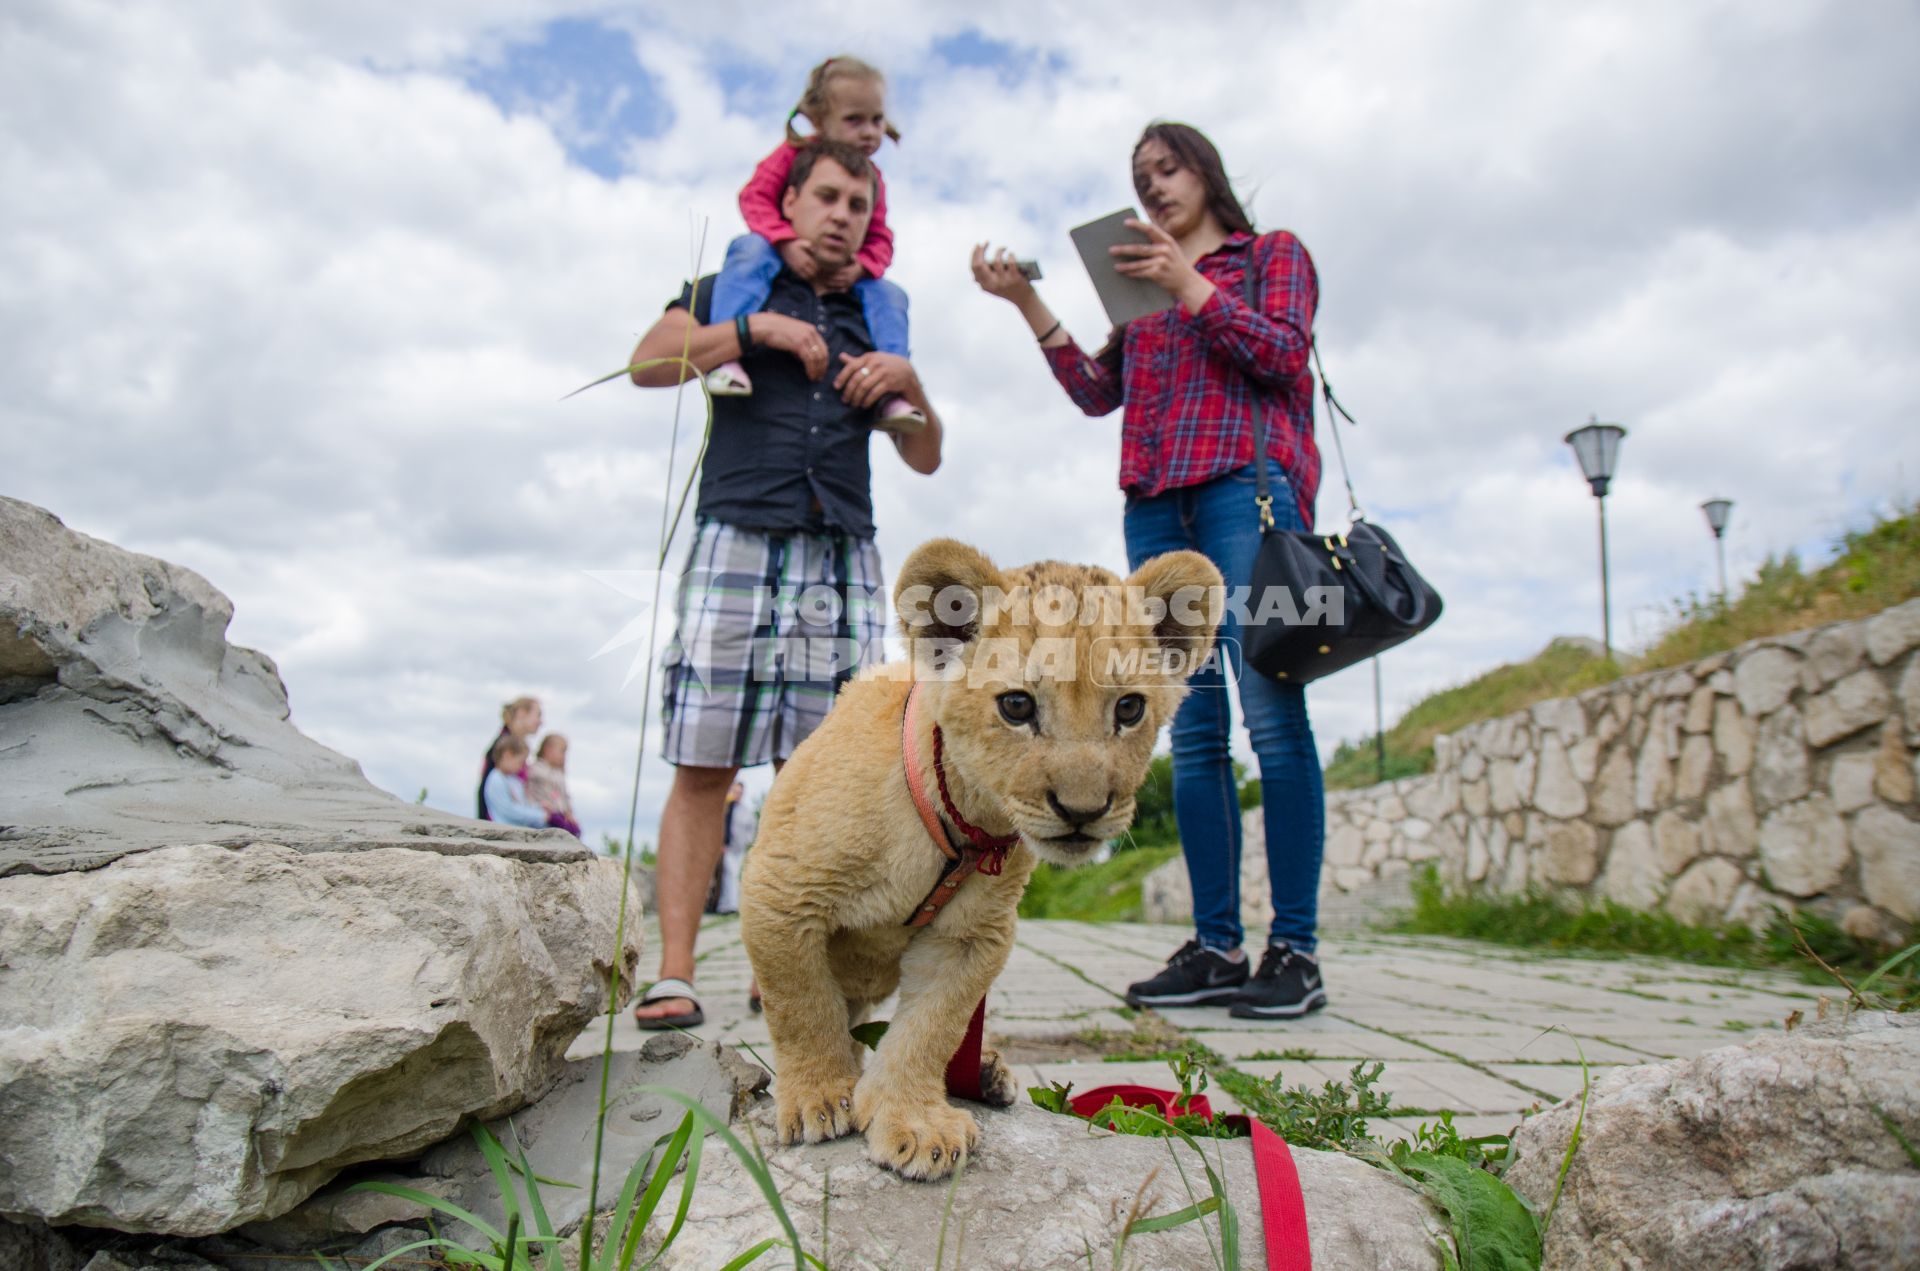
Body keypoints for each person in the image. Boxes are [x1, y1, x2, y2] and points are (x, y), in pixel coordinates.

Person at [970, 121, 1328, 1019]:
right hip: (1156, 506)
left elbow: (1284, 354)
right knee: (1191, 726)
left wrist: (1190, 284)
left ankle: (1296, 950)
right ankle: (1215, 945)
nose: (1154, 185)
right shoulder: (1140, 286)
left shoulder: (1268, 254)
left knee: (1272, 713)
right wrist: (1025, 304)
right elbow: (1099, 391)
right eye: (1140, 176)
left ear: (1205, 170)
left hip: (1248, 496)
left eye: (1168, 167)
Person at [624, 138, 944, 1030]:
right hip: (735, 533)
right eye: (830, 197)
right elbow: (650, 362)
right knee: (702, 757)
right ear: (791, 200)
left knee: (814, 772)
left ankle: (786, 970)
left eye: (860, 206)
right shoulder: (738, 283)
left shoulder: (879, 317)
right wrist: (754, 331)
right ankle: (676, 971)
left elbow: (924, 453)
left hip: (840, 548)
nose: (845, 215)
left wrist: (912, 382)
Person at [702, 55, 923, 432]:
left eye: (877, 120)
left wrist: (863, 266)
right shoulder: (792, 154)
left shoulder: (874, 179)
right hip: (778, 251)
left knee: (890, 294)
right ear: (821, 120)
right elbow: (754, 197)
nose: (869, 132)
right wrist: (784, 241)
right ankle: (725, 357)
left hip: (845, 274)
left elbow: (881, 235)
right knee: (749, 249)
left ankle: (889, 387)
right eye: (855, 120)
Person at [476, 696, 542, 821]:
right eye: (538, 715)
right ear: (522, 713)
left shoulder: (515, 746)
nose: (541, 721)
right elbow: (486, 791)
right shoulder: (503, 747)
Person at [705, 780, 757, 915]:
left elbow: (751, 828)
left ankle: (731, 904)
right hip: (726, 847)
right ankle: (727, 905)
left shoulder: (746, 811)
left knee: (733, 875)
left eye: (740, 792)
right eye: (735, 791)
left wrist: (747, 841)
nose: (737, 794)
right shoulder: (726, 807)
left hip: (739, 848)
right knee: (729, 875)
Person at [482, 735, 551, 828]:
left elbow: (523, 805)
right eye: (520, 762)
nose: (521, 767)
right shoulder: (496, 779)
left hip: (520, 829)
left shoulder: (515, 781)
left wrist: (539, 807)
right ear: (508, 755)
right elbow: (508, 810)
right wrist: (539, 815)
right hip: (504, 830)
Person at [527, 734, 582, 838]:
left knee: (575, 830)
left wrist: (568, 812)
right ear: (548, 749)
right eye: (562, 751)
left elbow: (565, 796)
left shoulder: (559, 773)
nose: (564, 756)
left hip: (560, 813)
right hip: (543, 812)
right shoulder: (536, 769)